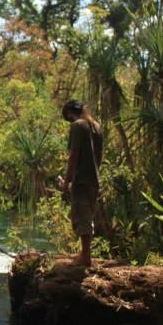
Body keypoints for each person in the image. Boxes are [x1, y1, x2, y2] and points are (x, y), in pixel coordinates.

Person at [59, 100, 103, 266]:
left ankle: (85, 257)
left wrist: (67, 181)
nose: (69, 121)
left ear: (71, 113)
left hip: (81, 179)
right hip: (93, 179)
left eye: (68, 117)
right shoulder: (96, 126)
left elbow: (74, 154)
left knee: (81, 215)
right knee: (88, 214)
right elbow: (99, 156)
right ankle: (85, 253)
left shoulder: (78, 126)